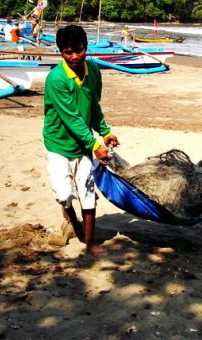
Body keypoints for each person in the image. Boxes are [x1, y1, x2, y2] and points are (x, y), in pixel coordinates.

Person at [43, 25, 119, 257]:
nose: (75, 56)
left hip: (85, 145)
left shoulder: (94, 71)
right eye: (68, 52)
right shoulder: (56, 79)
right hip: (59, 143)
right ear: (61, 53)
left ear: (86, 47)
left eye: (79, 50)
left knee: (87, 189)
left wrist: (105, 132)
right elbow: (71, 118)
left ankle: (89, 241)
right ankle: (70, 218)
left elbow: (93, 106)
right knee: (64, 194)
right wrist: (95, 145)